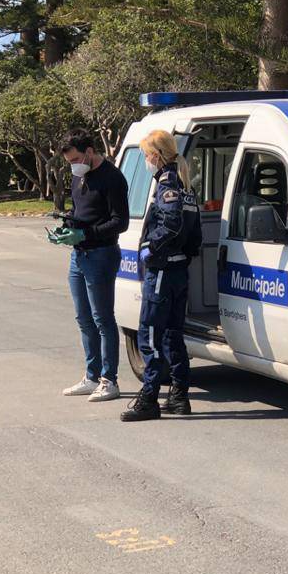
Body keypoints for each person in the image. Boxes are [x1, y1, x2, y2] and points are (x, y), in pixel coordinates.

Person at [121, 130, 202, 422]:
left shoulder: (167, 185)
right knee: (172, 335)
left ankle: (150, 398)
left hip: (163, 271)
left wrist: (150, 248)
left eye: (146, 156)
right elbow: (195, 236)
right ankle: (179, 396)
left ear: (156, 156)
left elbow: (170, 223)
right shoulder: (185, 186)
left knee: (151, 335)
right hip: (178, 270)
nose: (146, 161)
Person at [52, 129, 129, 402]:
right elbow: (79, 210)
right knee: (83, 319)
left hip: (101, 254)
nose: (73, 165)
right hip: (79, 255)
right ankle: (91, 375)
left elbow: (120, 221)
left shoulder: (112, 178)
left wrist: (87, 234)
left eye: (75, 159)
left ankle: (110, 380)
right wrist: (67, 225)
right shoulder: (79, 176)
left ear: (89, 151)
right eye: (69, 162)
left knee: (102, 319)